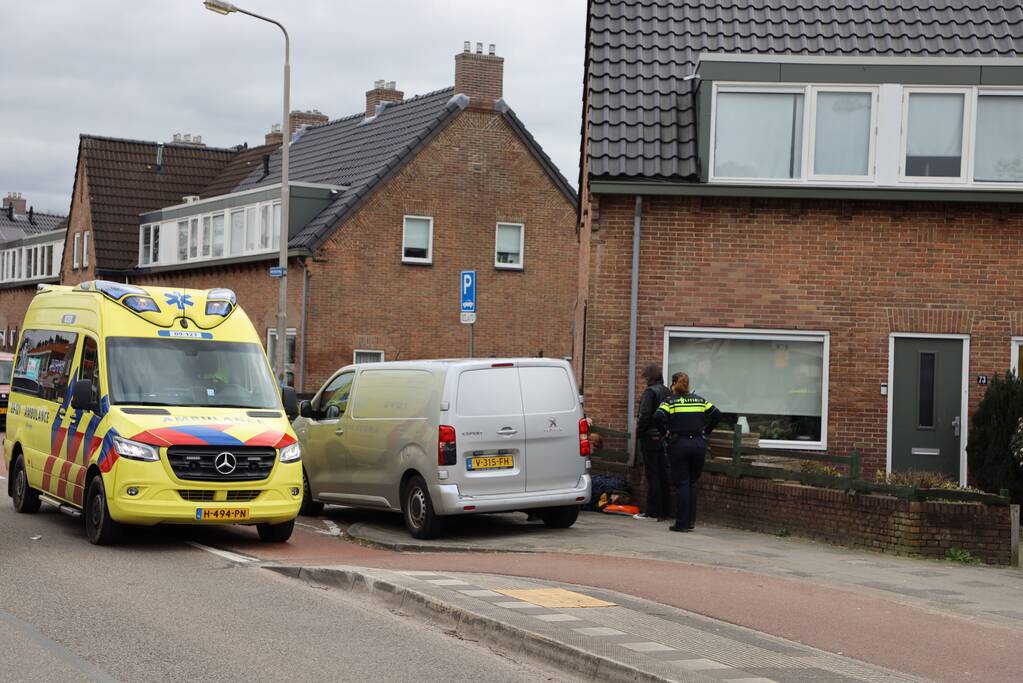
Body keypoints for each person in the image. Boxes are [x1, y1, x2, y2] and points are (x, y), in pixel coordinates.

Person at [654, 372, 722, 532]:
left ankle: (682, 523)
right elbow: (717, 414)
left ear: (673, 384)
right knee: (692, 482)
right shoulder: (699, 400)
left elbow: (657, 417)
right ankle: (691, 521)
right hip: (699, 444)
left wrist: (665, 433)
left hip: (679, 444)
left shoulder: (670, 401)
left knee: (682, 483)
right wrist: (706, 431)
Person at [633, 363, 671, 521]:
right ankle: (665, 510)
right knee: (663, 474)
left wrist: (639, 433)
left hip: (650, 436)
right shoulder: (667, 391)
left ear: (649, 377)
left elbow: (645, 415)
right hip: (664, 437)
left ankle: (652, 511)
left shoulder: (650, 392)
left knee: (652, 475)